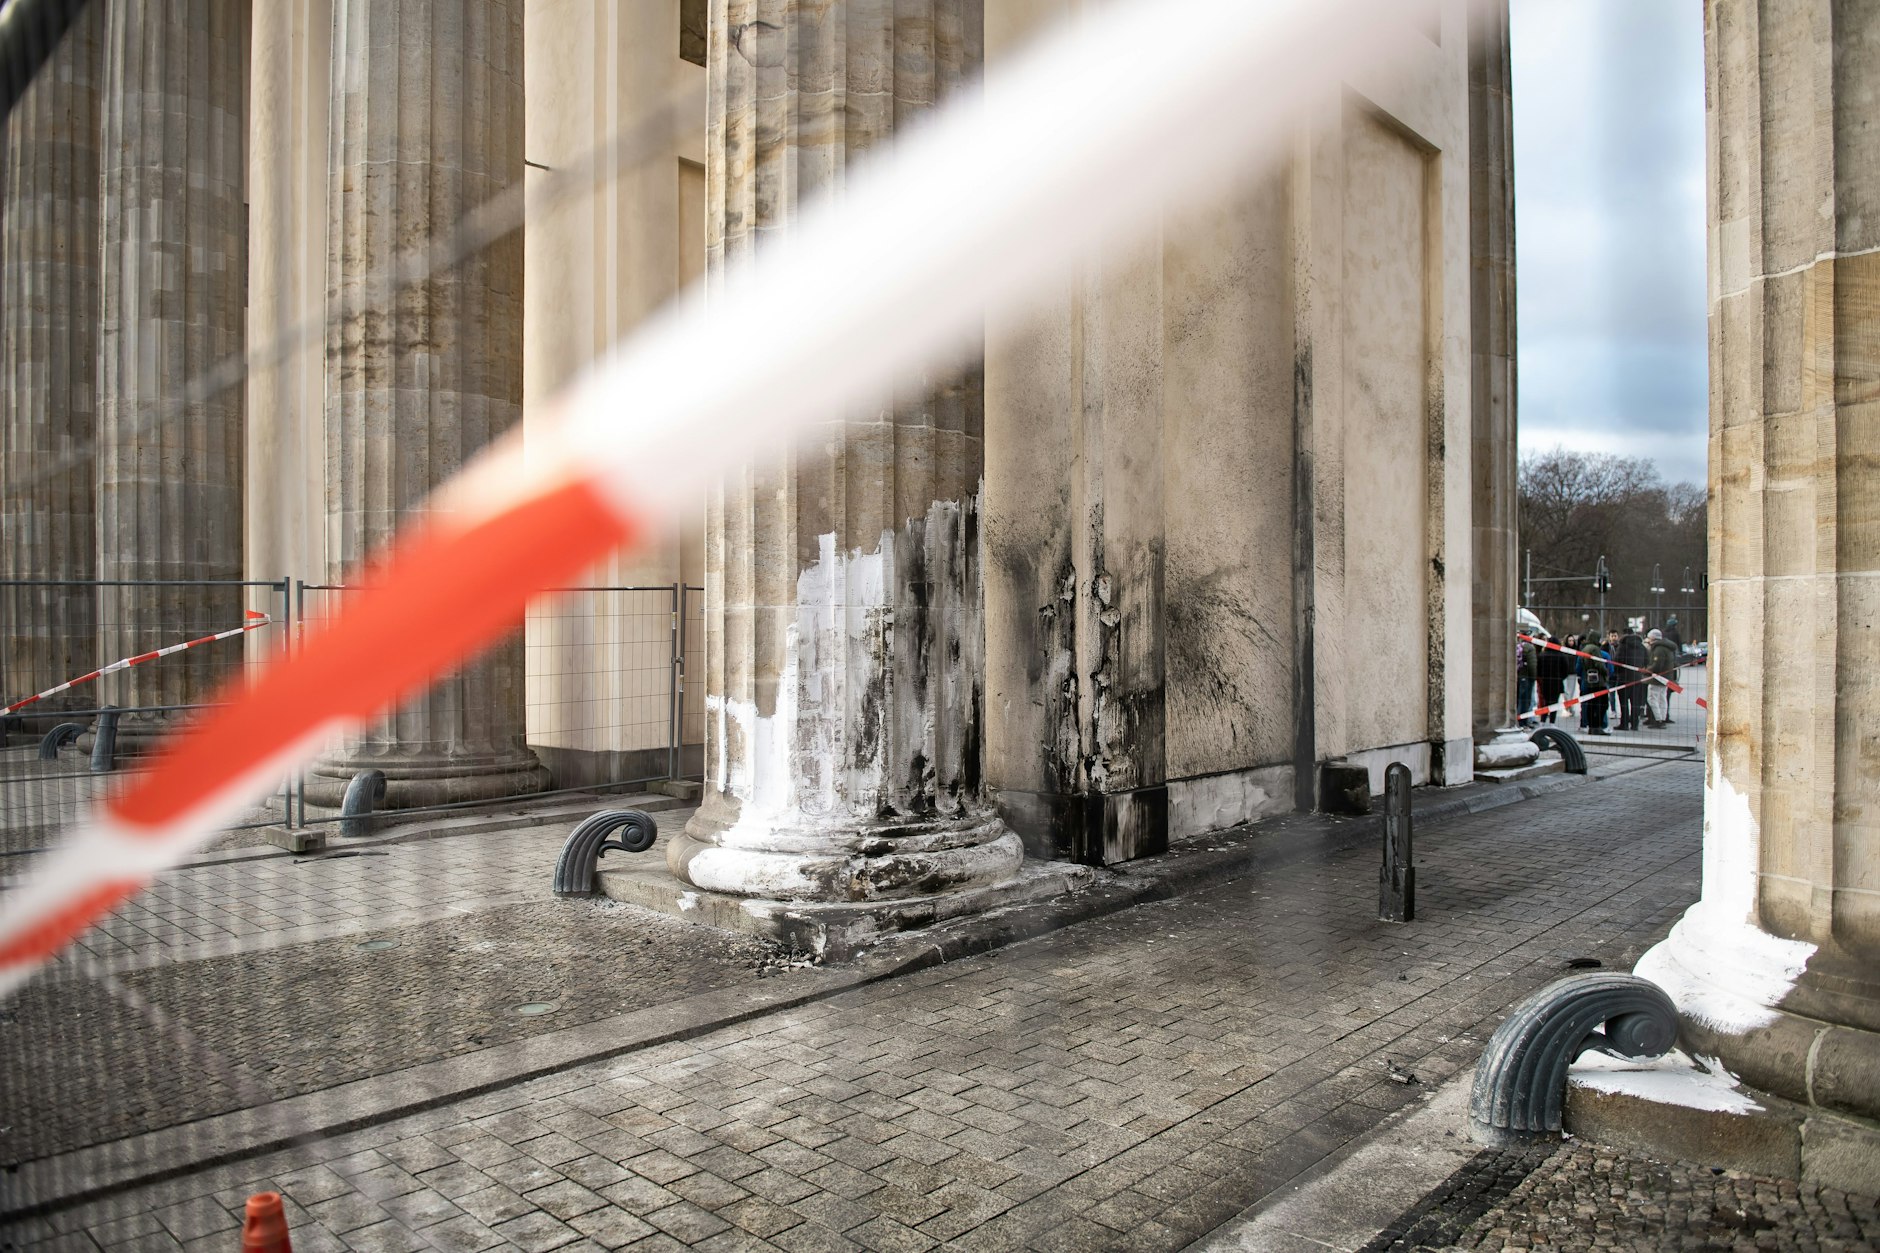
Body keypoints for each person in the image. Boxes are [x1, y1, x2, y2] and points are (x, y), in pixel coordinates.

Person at [1613, 625, 1648, 731]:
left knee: (1623, 703)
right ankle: (1634, 724)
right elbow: (1646, 661)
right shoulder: (1642, 647)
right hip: (1637, 678)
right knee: (1635, 702)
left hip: (1624, 678)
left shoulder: (1622, 646)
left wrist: (1617, 673)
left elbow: (1617, 661)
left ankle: (1624, 724)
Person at [1579, 634, 1613, 735]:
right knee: (1602, 704)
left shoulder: (1585, 648)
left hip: (1589, 679)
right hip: (1598, 681)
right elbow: (1599, 663)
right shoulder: (1595, 649)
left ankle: (1591, 727)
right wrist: (1605, 672)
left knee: (1591, 704)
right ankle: (1597, 726)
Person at [1645, 628, 1677, 727]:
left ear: (1653, 638)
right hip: (1666, 678)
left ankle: (1657, 719)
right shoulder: (1667, 647)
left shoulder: (1659, 649)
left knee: (1652, 698)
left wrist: (1647, 670)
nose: (1648, 640)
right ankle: (1662, 718)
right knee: (1662, 698)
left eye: (1649, 638)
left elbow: (1657, 665)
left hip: (1657, 679)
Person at [1536, 631, 1569, 724]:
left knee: (1545, 702)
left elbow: (1538, 669)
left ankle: (1542, 721)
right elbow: (1565, 670)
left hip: (1545, 682)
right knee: (1554, 703)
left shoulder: (1542, 656)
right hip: (1557, 682)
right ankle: (1552, 722)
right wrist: (1561, 677)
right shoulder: (1561, 656)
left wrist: (1541, 677)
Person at [1516, 635, 1538, 727]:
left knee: (1519, 699)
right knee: (1525, 700)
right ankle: (1523, 721)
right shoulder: (1530, 648)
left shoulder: (1518, 646)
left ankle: (1517, 719)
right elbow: (1532, 665)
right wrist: (1534, 677)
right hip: (1527, 677)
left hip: (1519, 676)